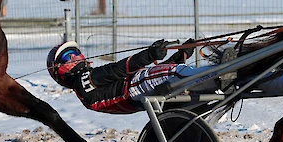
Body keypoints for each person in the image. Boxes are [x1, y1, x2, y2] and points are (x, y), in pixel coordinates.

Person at [46, 39, 231, 114]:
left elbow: (163, 72)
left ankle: (219, 78)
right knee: (172, 72)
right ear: (59, 72)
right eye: (67, 57)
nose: (75, 57)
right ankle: (218, 76)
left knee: (172, 71)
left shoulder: (86, 81)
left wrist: (184, 52)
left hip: (137, 91)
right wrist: (149, 55)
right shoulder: (82, 83)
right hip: (132, 90)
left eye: (74, 52)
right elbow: (117, 70)